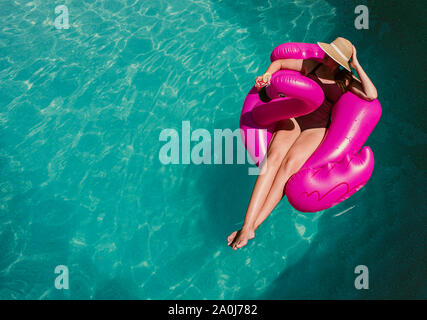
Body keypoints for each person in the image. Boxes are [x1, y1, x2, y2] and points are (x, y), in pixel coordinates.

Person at [228, 37, 378, 250]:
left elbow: (372, 94)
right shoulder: (312, 65)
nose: (326, 56)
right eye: (327, 52)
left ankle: (253, 227)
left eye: (332, 56)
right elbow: (280, 63)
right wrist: (267, 75)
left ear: (341, 63)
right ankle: (246, 223)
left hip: (316, 129)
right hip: (295, 118)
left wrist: (356, 64)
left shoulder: (346, 81)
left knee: (287, 170)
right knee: (272, 161)